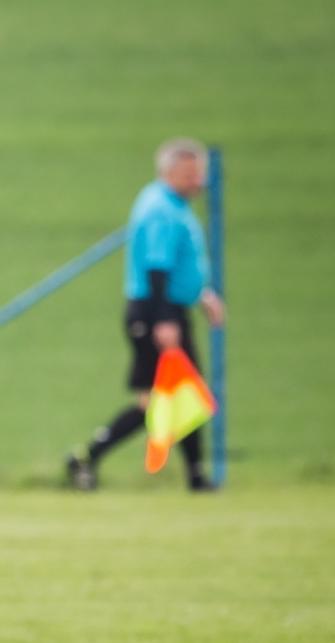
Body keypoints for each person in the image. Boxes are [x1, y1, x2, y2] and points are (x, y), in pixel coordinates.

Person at [67, 138, 226, 491]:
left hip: (164, 309)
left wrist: (202, 295)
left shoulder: (173, 205)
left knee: (177, 395)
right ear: (168, 172)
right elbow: (157, 268)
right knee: (165, 398)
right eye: (189, 173)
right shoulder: (160, 209)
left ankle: (194, 477)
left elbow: (180, 265)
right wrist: (164, 320)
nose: (197, 181)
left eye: (199, 173)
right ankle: (86, 458)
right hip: (155, 312)